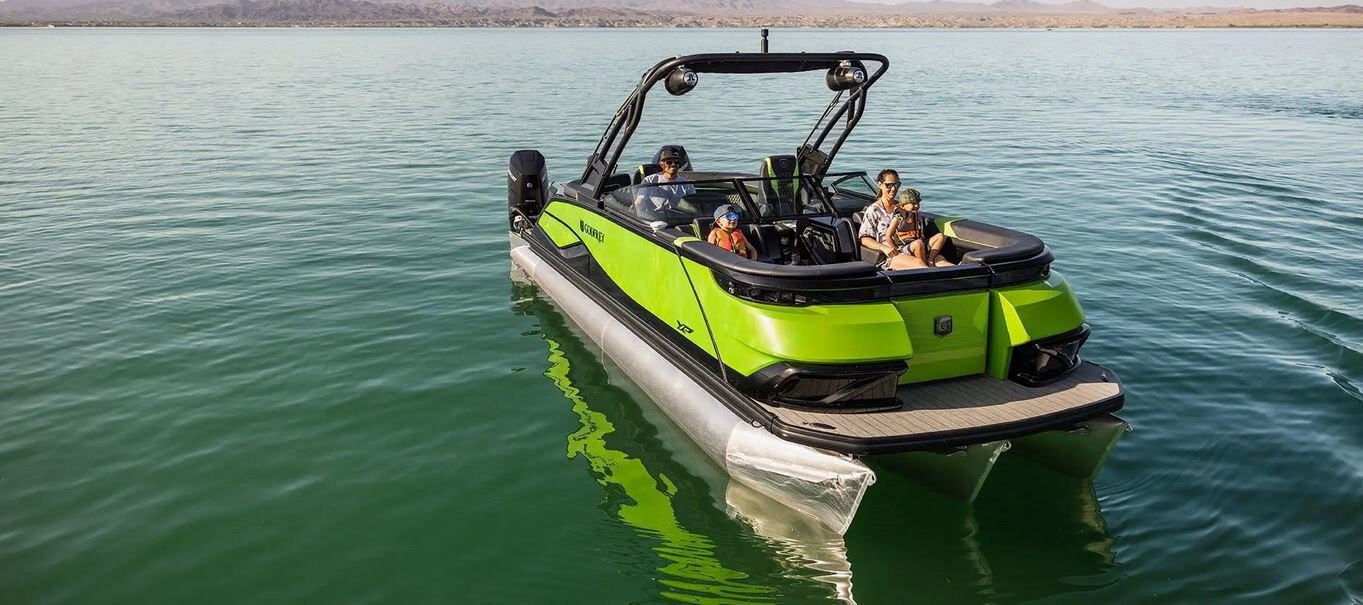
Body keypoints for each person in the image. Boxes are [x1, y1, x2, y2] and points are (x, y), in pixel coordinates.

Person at [858, 169, 927, 270]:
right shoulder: (874, 210)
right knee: (919, 264)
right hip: (890, 255)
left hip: (913, 246)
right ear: (880, 185)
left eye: (896, 185)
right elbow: (864, 238)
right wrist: (884, 248)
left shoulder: (904, 207)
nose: (894, 189)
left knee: (942, 262)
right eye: (889, 185)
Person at [884, 188, 954, 268]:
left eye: (918, 203)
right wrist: (896, 250)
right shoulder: (898, 218)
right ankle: (924, 266)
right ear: (903, 206)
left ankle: (930, 259)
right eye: (913, 203)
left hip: (920, 244)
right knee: (918, 243)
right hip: (904, 247)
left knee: (940, 236)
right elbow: (888, 236)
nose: (916, 206)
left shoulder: (918, 217)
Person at [633, 147, 695, 218]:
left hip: (679, 217)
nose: (673, 165)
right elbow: (639, 203)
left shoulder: (686, 183)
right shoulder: (649, 181)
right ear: (662, 164)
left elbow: (693, 203)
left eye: (676, 162)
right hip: (656, 218)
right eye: (669, 162)